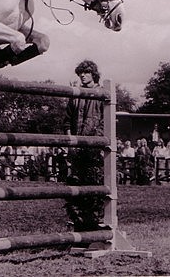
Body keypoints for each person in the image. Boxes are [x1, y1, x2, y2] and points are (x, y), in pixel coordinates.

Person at [63, 60, 105, 231]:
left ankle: (96, 224)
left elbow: (105, 123)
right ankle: (79, 224)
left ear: (93, 74)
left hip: (94, 148)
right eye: (80, 72)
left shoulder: (103, 94)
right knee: (74, 185)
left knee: (95, 185)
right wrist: (70, 144)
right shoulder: (75, 96)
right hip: (77, 147)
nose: (82, 75)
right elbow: (67, 122)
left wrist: (97, 143)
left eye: (86, 72)